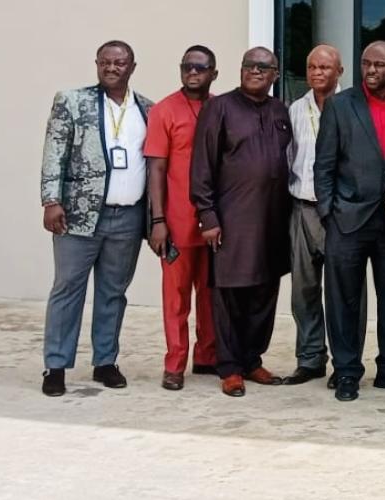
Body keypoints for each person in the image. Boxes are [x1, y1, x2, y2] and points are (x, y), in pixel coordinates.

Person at [39, 40, 153, 397]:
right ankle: (56, 366)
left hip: (129, 217)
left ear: (132, 67)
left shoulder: (148, 109)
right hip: (78, 216)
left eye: (119, 62)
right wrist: (51, 199)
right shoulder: (71, 101)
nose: (111, 67)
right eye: (105, 61)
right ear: (97, 64)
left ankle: (105, 361)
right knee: (67, 289)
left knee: (113, 293)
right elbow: (53, 152)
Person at [314, 41, 385, 402]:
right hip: (347, 219)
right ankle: (346, 371)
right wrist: (328, 211)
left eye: (379, 65)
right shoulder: (340, 105)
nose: (371, 70)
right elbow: (324, 164)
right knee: (343, 299)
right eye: (366, 64)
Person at [189, 47, 292, 397]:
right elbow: (201, 166)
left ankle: (252, 360)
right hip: (231, 221)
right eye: (249, 65)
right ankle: (230, 367)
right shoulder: (220, 108)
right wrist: (208, 217)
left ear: (275, 74)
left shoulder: (280, 111)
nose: (255, 71)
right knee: (229, 295)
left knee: (264, 292)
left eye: (263, 67)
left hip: (273, 222)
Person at [145, 45, 219, 391]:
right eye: (187, 66)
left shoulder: (221, 107)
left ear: (213, 74)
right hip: (175, 221)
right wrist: (158, 220)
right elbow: (156, 168)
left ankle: (206, 356)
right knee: (176, 298)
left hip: (215, 222)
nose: (193, 72)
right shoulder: (163, 110)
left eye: (200, 67)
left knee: (210, 294)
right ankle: (175, 364)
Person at [283, 44, 347, 387]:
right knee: (303, 291)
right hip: (303, 210)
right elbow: (289, 158)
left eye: (325, 67)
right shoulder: (295, 109)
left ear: (340, 72)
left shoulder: (351, 108)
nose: (317, 73)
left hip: (339, 214)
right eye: (311, 67)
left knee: (341, 293)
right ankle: (310, 359)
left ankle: (344, 363)